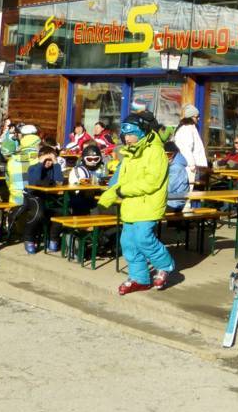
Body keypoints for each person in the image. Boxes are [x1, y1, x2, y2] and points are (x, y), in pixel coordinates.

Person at [97, 115, 175, 294]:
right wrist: (108, 196)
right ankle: (139, 278)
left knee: (143, 238)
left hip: (149, 204)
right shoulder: (130, 153)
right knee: (128, 243)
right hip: (131, 205)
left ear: (142, 132)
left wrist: (123, 191)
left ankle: (165, 265)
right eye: (124, 134)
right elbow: (121, 180)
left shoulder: (155, 151)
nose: (126, 138)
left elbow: (152, 182)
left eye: (130, 134)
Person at [5, 127, 44, 253]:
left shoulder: (12, 160)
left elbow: (8, 181)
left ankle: (12, 229)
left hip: (15, 198)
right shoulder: (39, 160)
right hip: (34, 199)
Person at [26, 145, 65, 252]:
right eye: (46, 160)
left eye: (50, 160)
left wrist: (56, 163)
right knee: (38, 213)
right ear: (40, 158)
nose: (48, 162)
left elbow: (59, 182)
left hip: (50, 197)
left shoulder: (54, 168)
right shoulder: (33, 168)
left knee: (62, 212)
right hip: (34, 196)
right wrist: (40, 163)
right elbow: (34, 181)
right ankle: (29, 238)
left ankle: (53, 238)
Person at [174, 104, 207, 193]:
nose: (198, 119)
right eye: (197, 117)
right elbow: (186, 148)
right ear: (191, 117)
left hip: (190, 166)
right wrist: (192, 164)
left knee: (190, 191)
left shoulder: (190, 128)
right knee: (187, 192)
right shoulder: (187, 129)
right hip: (188, 167)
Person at [68, 143, 108, 215]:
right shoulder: (78, 170)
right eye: (89, 159)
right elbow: (76, 189)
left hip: (98, 196)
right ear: (84, 159)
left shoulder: (102, 169)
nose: (93, 162)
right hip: (81, 198)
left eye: (96, 159)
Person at [164, 141, 190, 212]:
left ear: (174, 154)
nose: (167, 158)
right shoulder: (174, 165)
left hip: (174, 203)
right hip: (173, 200)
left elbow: (169, 187)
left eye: (169, 155)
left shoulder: (177, 167)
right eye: (165, 155)